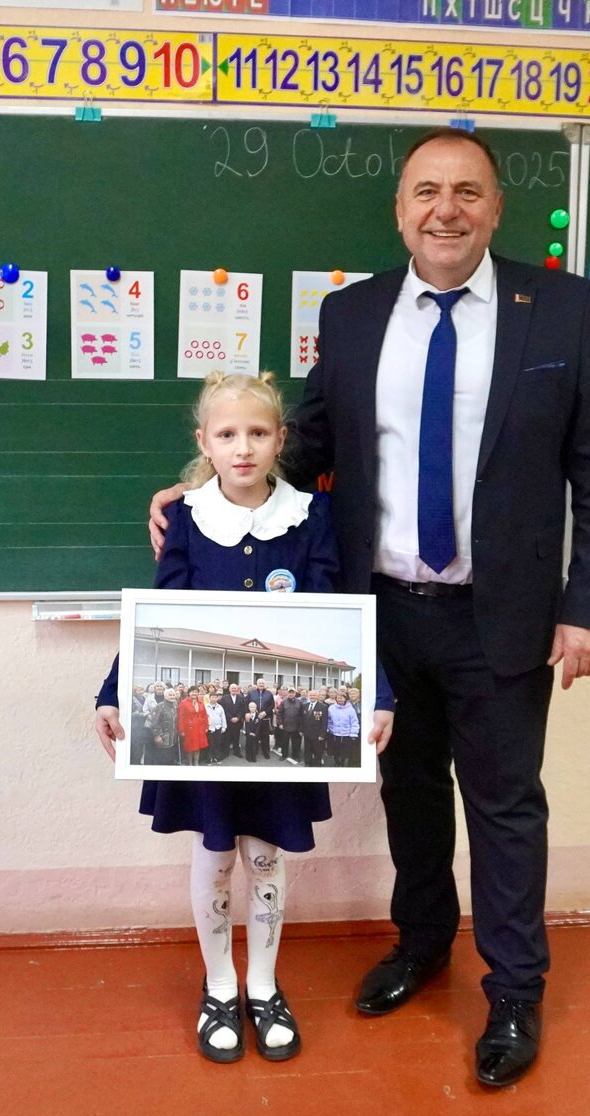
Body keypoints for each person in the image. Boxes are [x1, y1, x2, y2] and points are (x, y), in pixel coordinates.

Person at [150, 128, 590, 1087]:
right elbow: (305, 441)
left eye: (466, 192)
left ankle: (514, 990)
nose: (445, 210)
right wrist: (200, 490)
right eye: (426, 192)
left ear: (496, 207)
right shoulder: (354, 312)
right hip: (378, 612)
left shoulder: (560, 308)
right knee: (408, 792)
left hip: (504, 614)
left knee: (505, 806)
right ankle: (421, 945)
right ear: (401, 209)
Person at [97, 370, 394, 1065]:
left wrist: (379, 692)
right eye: (227, 434)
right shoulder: (188, 519)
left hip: (280, 745)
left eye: (258, 433)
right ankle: (219, 985)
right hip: (208, 741)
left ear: (281, 440)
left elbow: (337, 615)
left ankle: (263, 984)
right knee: (215, 853)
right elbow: (161, 614)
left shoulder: (309, 517)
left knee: (264, 853)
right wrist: (112, 691)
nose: (243, 448)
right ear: (204, 441)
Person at [326, 690, 361, 766]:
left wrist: (353, 733)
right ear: (336, 699)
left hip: (346, 734)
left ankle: (342, 762)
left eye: (341, 698)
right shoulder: (331, 708)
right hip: (334, 734)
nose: (340, 699)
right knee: (335, 750)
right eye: (338, 698)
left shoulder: (350, 709)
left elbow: (354, 722)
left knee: (344, 751)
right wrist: (328, 729)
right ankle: (336, 762)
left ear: (345, 699)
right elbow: (328, 720)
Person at [177, 688, 210, 766]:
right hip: (189, 729)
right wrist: (181, 730)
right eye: (192, 692)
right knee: (190, 747)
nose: (194, 693)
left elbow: (204, 715)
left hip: (199, 728)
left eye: (196, 692)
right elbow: (180, 717)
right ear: (189, 693)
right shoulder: (183, 703)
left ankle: (196, 762)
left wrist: (206, 726)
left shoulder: (201, 703)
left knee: (198, 746)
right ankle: (190, 763)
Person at [301, 689, 328, 766]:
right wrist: (301, 730)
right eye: (311, 695)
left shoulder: (323, 707)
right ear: (308, 696)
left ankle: (317, 764)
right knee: (307, 750)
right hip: (307, 733)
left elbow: (324, 722)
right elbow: (302, 719)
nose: (312, 697)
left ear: (318, 696)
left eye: (314, 695)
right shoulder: (305, 706)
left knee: (318, 751)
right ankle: (307, 763)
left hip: (317, 734)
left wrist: (322, 734)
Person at [220, 683, 245, 759]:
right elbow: (223, 709)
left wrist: (238, 717)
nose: (234, 689)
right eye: (232, 688)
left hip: (237, 721)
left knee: (236, 737)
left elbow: (242, 709)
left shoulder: (241, 698)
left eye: (235, 688)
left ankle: (236, 752)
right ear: (229, 689)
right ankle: (225, 752)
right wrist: (231, 718)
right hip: (228, 720)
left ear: (237, 689)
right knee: (227, 737)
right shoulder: (224, 698)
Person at [279, 687, 305, 762]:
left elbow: (302, 715)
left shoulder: (300, 702)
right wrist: (280, 723)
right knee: (284, 742)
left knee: (296, 743)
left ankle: (296, 755)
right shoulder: (283, 702)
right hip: (285, 726)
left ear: (295, 693)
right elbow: (280, 714)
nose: (291, 694)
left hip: (296, 727)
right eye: (289, 692)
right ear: (288, 693)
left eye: (292, 692)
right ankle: (284, 755)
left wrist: (301, 726)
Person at [205, 690, 227, 763]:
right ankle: (209, 758)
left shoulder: (220, 707)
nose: (214, 699)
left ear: (217, 698)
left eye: (215, 697)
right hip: (209, 728)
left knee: (217, 743)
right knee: (210, 744)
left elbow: (223, 717)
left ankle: (216, 757)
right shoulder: (206, 707)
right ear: (209, 698)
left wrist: (224, 727)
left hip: (218, 728)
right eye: (212, 697)